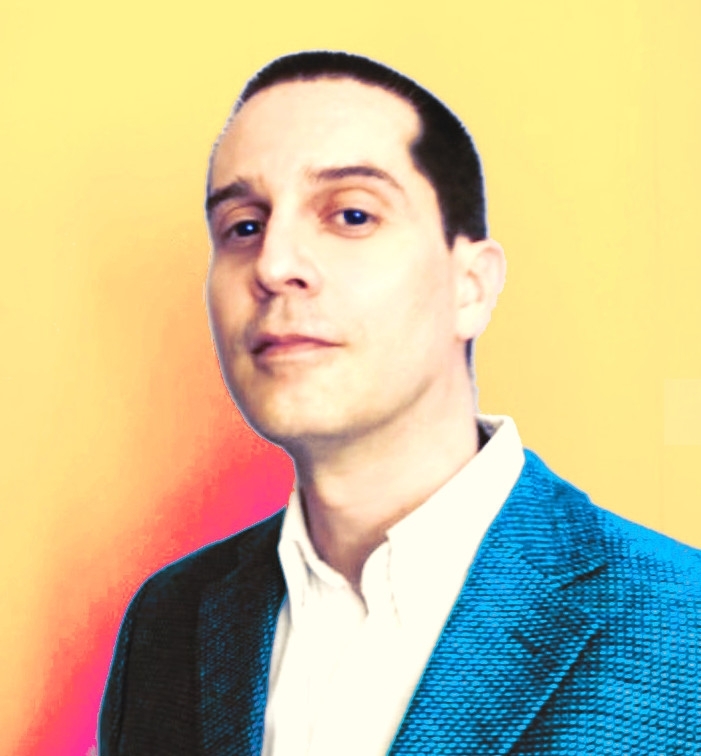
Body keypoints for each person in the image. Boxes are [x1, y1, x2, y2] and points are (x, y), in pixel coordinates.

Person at [99, 51, 701, 755]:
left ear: (471, 286)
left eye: (351, 215)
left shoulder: (680, 626)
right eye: (243, 226)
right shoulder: (168, 622)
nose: (273, 265)